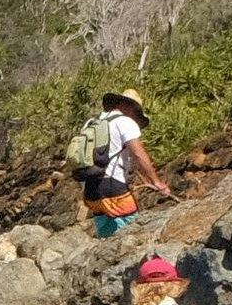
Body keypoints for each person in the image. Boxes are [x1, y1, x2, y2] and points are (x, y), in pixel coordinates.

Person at [67, 88, 163, 239]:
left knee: (106, 235)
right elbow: (139, 154)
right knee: (132, 230)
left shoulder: (91, 123)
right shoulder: (125, 122)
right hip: (112, 187)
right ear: (130, 107)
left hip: (90, 190)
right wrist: (157, 182)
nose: (136, 118)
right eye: (136, 113)